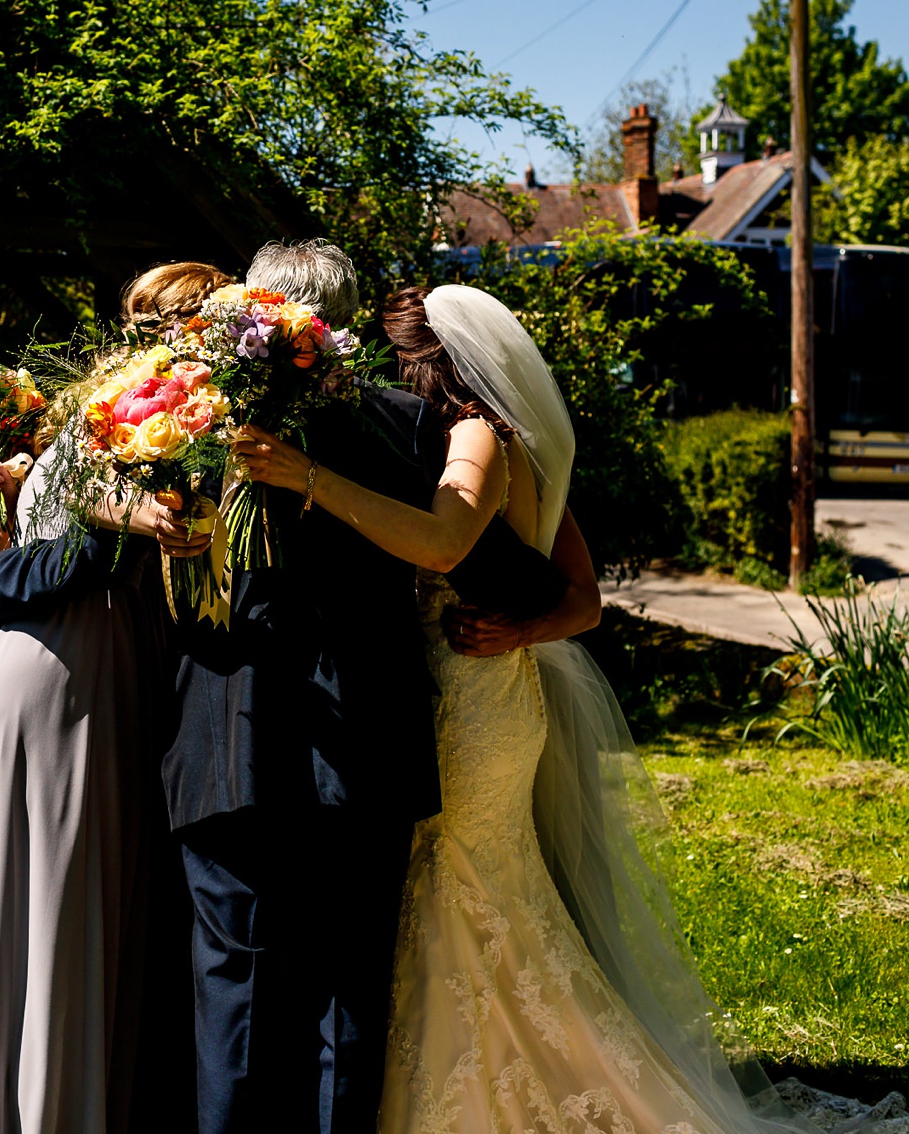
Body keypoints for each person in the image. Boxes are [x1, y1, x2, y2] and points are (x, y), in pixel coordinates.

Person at [232, 284, 811, 1134]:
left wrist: (307, 476)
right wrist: (524, 628)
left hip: (462, 700)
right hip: (499, 691)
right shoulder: (528, 451)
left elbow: (440, 542)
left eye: (403, 364)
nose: (395, 382)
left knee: (449, 887)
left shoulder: (471, 437)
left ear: (436, 364)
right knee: (488, 891)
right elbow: (585, 603)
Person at [163, 241, 577, 1134]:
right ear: (338, 326)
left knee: (238, 985)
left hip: (231, 733)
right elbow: (518, 572)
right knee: (346, 996)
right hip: (363, 731)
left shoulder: (176, 417)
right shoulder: (411, 426)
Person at [0, 262, 226, 1134]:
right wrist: (121, 513)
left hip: (8, 664)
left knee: (21, 900)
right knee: (60, 899)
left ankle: (7, 1106)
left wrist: (27, 487)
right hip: (69, 670)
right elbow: (98, 507)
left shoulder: (103, 415)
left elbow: (51, 518)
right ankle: (56, 1108)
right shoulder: (141, 416)